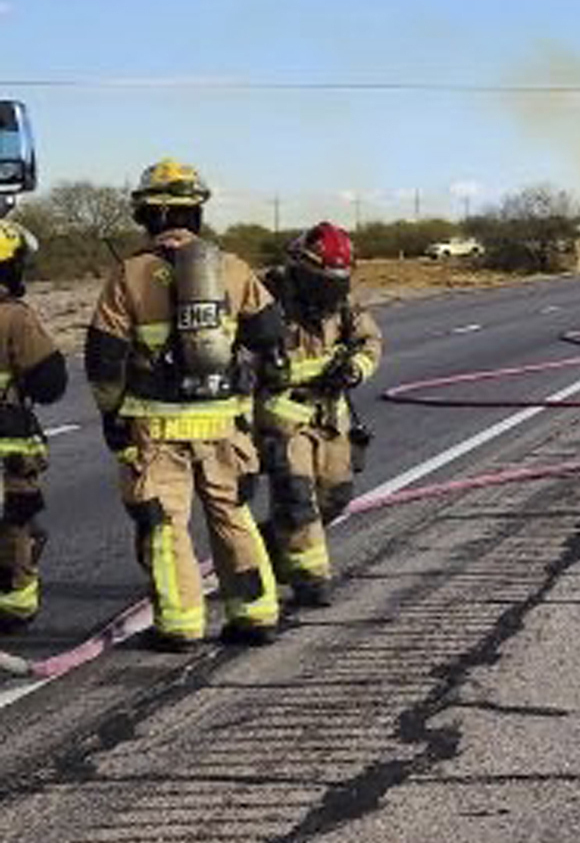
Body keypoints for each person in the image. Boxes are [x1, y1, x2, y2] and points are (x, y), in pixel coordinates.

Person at [85, 159, 288, 650]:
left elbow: (103, 360)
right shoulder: (233, 268)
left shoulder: (129, 275)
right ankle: (255, 614)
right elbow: (270, 338)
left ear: (148, 216)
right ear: (196, 214)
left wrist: (112, 414)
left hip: (154, 429)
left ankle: (179, 625)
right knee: (232, 515)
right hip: (223, 424)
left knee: (165, 526)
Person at [256, 222, 381, 607]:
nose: (332, 289)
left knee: (336, 496)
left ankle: (270, 546)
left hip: (331, 416)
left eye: (338, 280)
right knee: (297, 499)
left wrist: (356, 367)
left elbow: (370, 340)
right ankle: (311, 580)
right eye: (323, 280)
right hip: (284, 417)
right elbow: (236, 345)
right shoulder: (266, 298)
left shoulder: (343, 303)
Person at [0, 221, 67, 630]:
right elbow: (50, 384)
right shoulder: (15, 318)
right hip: (8, 441)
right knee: (17, 520)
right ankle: (14, 603)